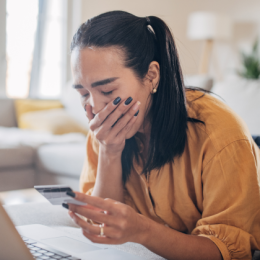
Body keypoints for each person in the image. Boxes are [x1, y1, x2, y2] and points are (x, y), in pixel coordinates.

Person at [63, 10, 260, 260]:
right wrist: (109, 152)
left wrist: (143, 230)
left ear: (151, 76)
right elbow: (104, 229)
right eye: (82, 93)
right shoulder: (104, 129)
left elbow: (229, 252)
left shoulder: (220, 133)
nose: (94, 108)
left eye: (107, 90)